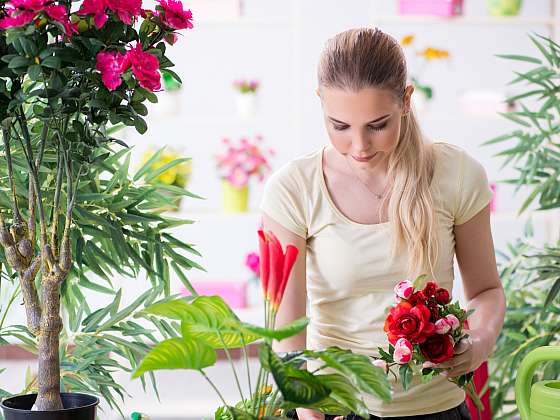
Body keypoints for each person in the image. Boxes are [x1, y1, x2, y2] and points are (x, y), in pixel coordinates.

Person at [259, 27, 506, 420]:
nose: (360, 145)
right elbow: (286, 334)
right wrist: (311, 413)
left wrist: (479, 340)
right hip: (331, 406)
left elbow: (488, 290)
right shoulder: (294, 188)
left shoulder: (456, 174)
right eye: (339, 126)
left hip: (436, 406)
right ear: (320, 103)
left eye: (378, 125)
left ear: (406, 101)